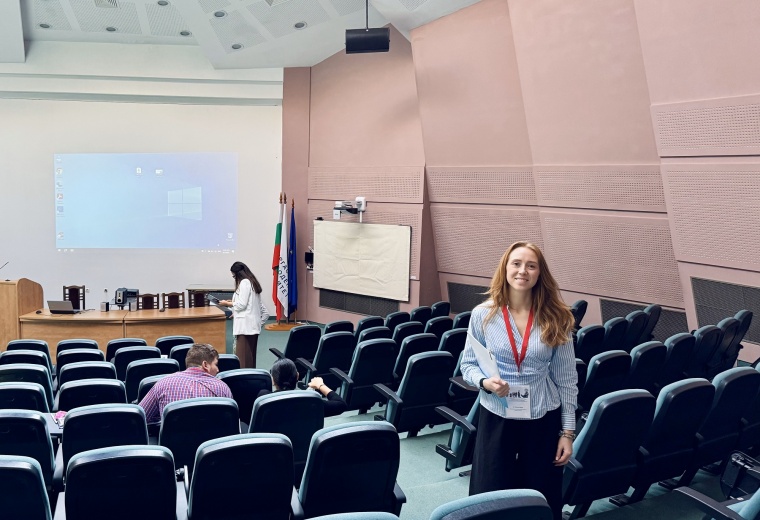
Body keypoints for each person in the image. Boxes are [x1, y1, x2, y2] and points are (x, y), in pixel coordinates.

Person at [460, 241, 577, 520]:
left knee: (539, 493)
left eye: (531, 265)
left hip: (542, 415)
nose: (523, 271)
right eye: (516, 263)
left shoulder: (557, 317)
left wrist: (567, 433)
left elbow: (566, 378)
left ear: (539, 273)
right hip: (496, 412)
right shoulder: (483, 314)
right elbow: (467, 365)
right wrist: (485, 383)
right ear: (505, 268)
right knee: (489, 491)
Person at [139, 343, 233, 424]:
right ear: (205, 365)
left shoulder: (163, 383)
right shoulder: (222, 388)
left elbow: (139, 417)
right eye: (216, 364)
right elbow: (231, 425)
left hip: (173, 440)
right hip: (213, 440)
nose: (218, 370)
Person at [256, 358, 347, 417]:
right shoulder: (311, 403)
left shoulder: (264, 398)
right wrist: (320, 385)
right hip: (305, 442)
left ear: (272, 380)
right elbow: (341, 405)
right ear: (297, 376)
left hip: (276, 442)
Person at [219, 261, 269, 369]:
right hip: (251, 327)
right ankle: (250, 378)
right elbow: (250, 306)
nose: (234, 279)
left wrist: (227, 303)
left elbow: (242, 304)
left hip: (245, 329)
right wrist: (234, 307)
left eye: (234, 276)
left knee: (243, 361)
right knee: (250, 359)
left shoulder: (244, 282)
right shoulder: (252, 282)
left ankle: (245, 379)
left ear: (238, 274)